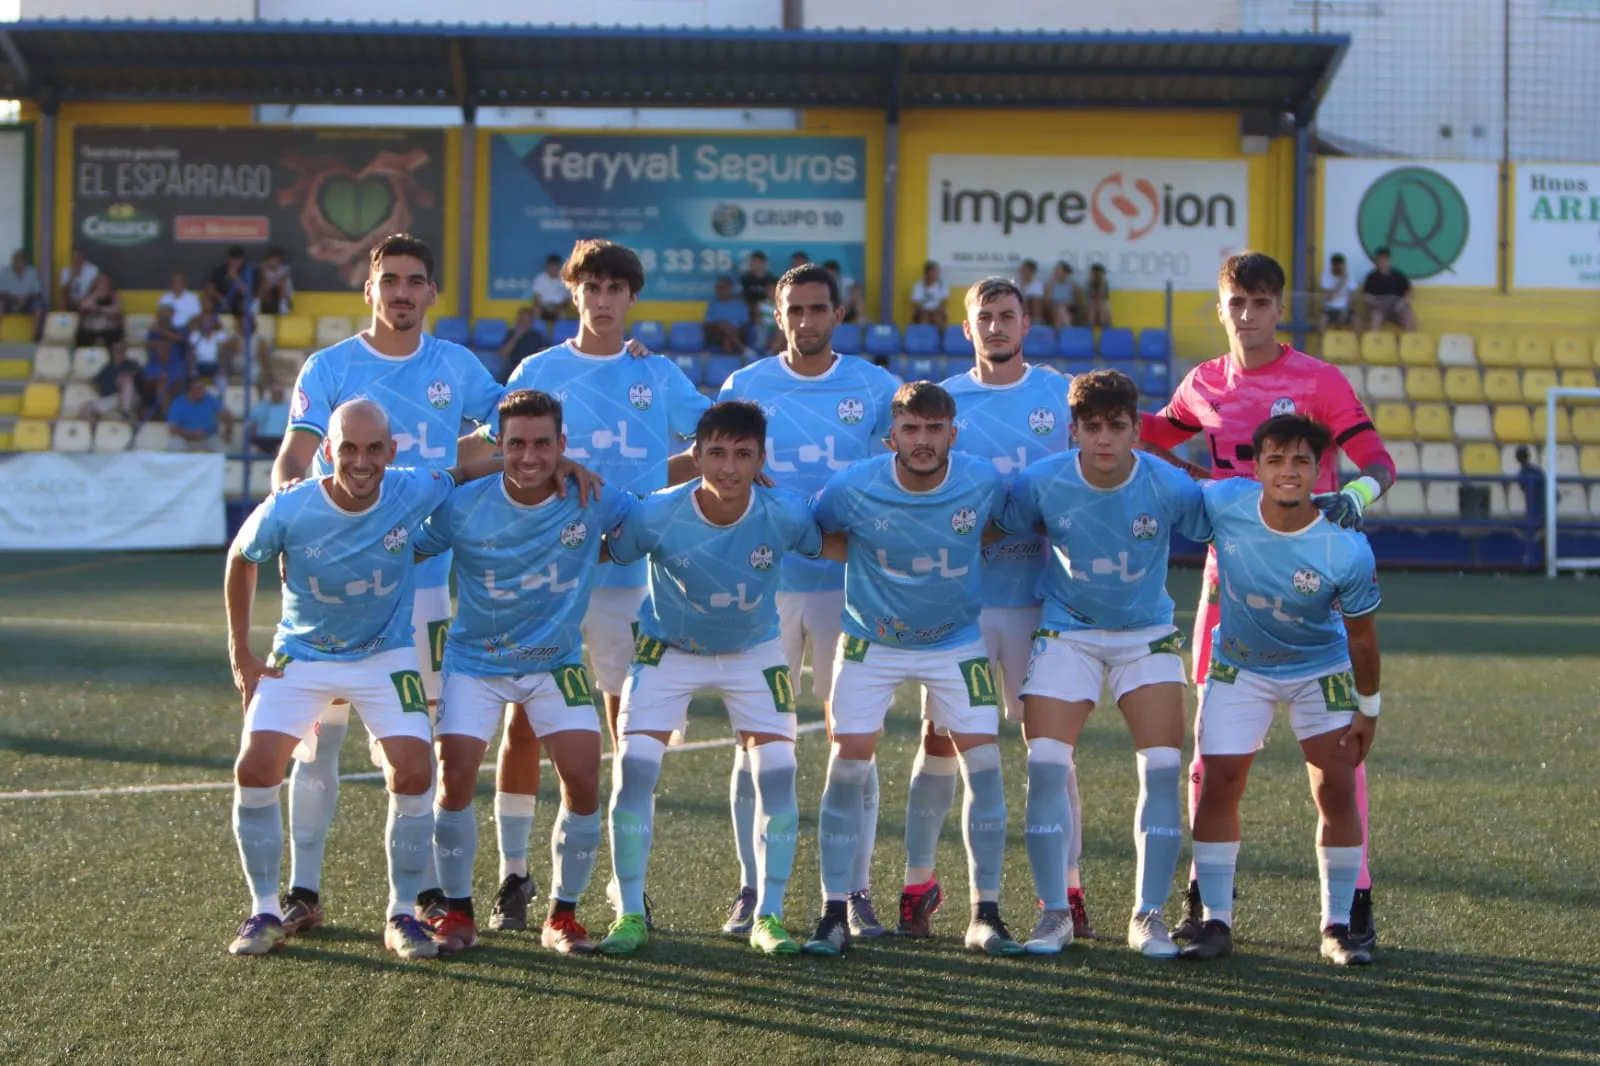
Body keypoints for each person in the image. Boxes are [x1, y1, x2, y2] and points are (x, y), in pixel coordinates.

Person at [1137, 251, 1396, 948]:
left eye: (1260, 303)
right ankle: (1206, 903)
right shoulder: (1204, 383)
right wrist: (1087, 410)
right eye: (1235, 303)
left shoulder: (1317, 379)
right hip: (1228, 590)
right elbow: (1152, 434)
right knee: (1210, 759)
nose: (1247, 316)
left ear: (1278, 308)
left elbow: (1379, 463)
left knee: (1340, 764)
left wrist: (1355, 499)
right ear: (1220, 309)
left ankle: (1354, 901)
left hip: (1314, 587)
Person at [273, 234, 511, 936]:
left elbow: (517, 425)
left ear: (431, 292)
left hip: (427, 582)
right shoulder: (331, 366)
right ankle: (303, 890)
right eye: (390, 280)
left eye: (415, 280)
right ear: (369, 291)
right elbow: (295, 447)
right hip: (336, 584)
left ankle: (425, 890)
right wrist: (288, 501)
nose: (402, 292)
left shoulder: (459, 368)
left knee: (421, 738)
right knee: (320, 739)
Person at [492, 238, 709, 929]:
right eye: (592, 287)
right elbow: (504, 450)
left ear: (631, 298)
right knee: (523, 721)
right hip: (548, 572)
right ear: (573, 292)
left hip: (628, 577)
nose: (604, 299)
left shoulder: (659, 373)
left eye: (617, 288)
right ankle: (514, 877)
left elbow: (707, 445)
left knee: (629, 730)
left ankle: (625, 880)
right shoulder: (539, 369)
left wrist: (648, 490)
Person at [221, 399, 485, 959]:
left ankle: (401, 912)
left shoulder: (412, 487)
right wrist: (240, 651)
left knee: (415, 771)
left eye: (373, 449)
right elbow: (242, 557)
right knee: (255, 766)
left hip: (384, 657)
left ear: (391, 452)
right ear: (327, 452)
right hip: (302, 655)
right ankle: (265, 908)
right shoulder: (291, 506)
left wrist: (556, 463)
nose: (361, 461)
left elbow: (465, 469)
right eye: (349, 448)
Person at [600, 401, 824, 958]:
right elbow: (608, 549)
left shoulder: (786, 513)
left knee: (777, 774)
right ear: (695, 454)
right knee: (633, 771)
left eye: (743, 455)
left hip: (754, 651)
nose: (728, 468)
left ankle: (768, 915)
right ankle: (629, 910)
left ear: (761, 458)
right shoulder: (656, 514)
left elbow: (833, 544)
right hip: (668, 651)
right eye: (717, 453)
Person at [803, 381, 1019, 958]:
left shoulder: (982, 480)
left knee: (987, 766)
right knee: (847, 764)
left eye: (934, 428)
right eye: (910, 429)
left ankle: (986, 914)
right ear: (890, 435)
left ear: (953, 431)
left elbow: (1001, 525)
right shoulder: (854, 487)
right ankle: (831, 911)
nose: (922, 441)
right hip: (871, 642)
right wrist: (876, 553)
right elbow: (815, 534)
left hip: (956, 640)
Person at [717, 262, 900, 939]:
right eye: (793, 310)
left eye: (817, 309)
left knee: (855, 744)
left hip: (849, 590)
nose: (805, 321)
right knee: (756, 741)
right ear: (777, 314)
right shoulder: (747, 386)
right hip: (762, 588)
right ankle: (752, 885)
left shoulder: (876, 388)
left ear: (839, 314)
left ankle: (854, 890)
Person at [418, 388, 635, 957]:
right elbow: (403, 540)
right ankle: (459, 911)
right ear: (501, 446)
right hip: (475, 663)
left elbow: (655, 519)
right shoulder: (463, 504)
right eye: (516, 445)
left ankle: (563, 915)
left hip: (554, 664)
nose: (530, 456)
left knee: (585, 779)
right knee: (456, 775)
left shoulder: (591, 497)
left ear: (563, 445)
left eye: (544, 444)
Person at [1000, 369, 1209, 957]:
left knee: (1163, 770)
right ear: (1073, 431)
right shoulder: (1042, 482)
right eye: (1092, 427)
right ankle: (1054, 914)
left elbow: (1219, 522)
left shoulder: (1168, 484)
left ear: (1136, 430)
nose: (1105, 439)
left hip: (1146, 638)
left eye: (1117, 426)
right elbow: (1002, 526)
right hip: (1068, 634)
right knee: (1044, 766)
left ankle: (1148, 916)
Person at [897, 277, 1081, 942]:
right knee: (940, 741)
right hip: (965, 606)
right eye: (985, 318)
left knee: (1051, 749)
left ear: (1026, 323)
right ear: (966, 327)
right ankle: (918, 883)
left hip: (1043, 600)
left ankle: (1067, 893)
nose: (997, 327)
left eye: (1007, 316)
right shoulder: (945, 404)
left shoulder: (1060, 394)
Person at [1181, 414, 1382, 967]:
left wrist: (1369, 707)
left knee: (1337, 790)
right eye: (1276, 459)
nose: (1288, 471)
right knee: (1218, 783)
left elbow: (1363, 639)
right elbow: (1164, 484)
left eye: (1300, 461)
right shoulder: (1224, 503)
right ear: (1256, 468)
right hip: (1239, 667)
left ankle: (1339, 926)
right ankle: (1215, 919)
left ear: (1319, 470)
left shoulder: (1345, 545)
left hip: (1322, 670)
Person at [78, 342, 143, 425]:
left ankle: (125, 413)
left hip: (131, 398)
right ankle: (98, 430)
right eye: (117, 351)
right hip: (112, 398)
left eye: (122, 350)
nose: (120, 353)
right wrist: (99, 388)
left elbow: (138, 373)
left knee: (126, 380)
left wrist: (125, 375)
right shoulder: (107, 368)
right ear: (112, 353)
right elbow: (94, 381)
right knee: (86, 409)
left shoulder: (130, 364)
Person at [166, 376, 234, 452]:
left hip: (208, 438)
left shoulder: (209, 399)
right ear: (190, 390)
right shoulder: (178, 403)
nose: (203, 391)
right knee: (175, 444)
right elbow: (173, 429)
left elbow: (227, 415)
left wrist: (228, 431)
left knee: (223, 450)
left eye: (203, 387)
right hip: (186, 439)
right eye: (199, 388)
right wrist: (191, 433)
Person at [1362, 247, 1417, 332]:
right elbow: (1366, 296)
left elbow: (1409, 291)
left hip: (1396, 304)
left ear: (1389, 260)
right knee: (1375, 317)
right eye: (1380, 259)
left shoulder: (1398, 275)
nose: (1382, 261)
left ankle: (1408, 343)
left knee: (1409, 317)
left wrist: (1402, 302)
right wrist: (1375, 302)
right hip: (1379, 306)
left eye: (1385, 259)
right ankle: (1374, 343)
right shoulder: (1371, 277)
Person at [145, 305, 189, 410]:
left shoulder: (180, 330)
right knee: (160, 380)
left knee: (176, 382)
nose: (163, 316)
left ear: (172, 315)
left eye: (166, 313)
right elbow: (149, 345)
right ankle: (164, 411)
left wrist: (161, 332)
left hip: (175, 365)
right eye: (161, 314)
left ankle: (172, 411)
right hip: (156, 365)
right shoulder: (152, 333)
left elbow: (180, 339)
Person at [0, 250, 45, 338]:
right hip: (11, 301)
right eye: (17, 261)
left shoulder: (32, 272)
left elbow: (37, 292)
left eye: (21, 261)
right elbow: (2, 292)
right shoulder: (5, 273)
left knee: (39, 304)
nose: (18, 264)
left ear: (25, 262)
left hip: (27, 301)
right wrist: (13, 298)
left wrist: (25, 298)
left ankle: (35, 334)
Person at [704, 276, 751, 355]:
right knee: (724, 324)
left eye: (722, 287)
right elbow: (707, 323)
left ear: (730, 288)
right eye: (717, 288)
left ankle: (728, 364)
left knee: (727, 341)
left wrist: (732, 330)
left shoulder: (740, 304)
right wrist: (722, 325)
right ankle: (743, 349)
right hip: (717, 333)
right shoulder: (714, 305)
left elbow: (745, 323)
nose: (719, 290)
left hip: (738, 333)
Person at [189, 312, 240, 385]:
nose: (207, 323)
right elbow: (191, 352)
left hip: (215, 364)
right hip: (199, 364)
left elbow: (225, 350)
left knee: (222, 376)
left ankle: (222, 393)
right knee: (192, 373)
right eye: (204, 320)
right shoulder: (195, 335)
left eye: (209, 320)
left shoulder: (219, 335)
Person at [74, 274, 124, 348]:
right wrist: (96, 296)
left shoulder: (114, 296)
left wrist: (101, 309)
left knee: (116, 335)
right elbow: (83, 307)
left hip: (109, 330)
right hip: (91, 330)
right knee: (82, 334)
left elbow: (118, 309)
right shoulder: (91, 296)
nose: (103, 286)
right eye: (100, 284)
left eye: (105, 284)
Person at [248, 382, 292, 455]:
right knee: (252, 450)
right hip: (262, 440)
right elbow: (252, 424)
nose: (277, 395)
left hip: (280, 440)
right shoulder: (262, 406)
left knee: (281, 450)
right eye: (275, 392)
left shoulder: (289, 408)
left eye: (279, 392)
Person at [208, 246, 252, 319]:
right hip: (221, 298)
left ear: (242, 260)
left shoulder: (247, 271)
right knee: (207, 301)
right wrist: (219, 297)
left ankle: (242, 327)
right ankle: (211, 325)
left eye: (238, 259)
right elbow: (209, 286)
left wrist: (234, 277)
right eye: (233, 259)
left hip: (239, 300)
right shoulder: (220, 270)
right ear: (229, 259)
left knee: (244, 304)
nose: (235, 262)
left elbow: (247, 291)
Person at [531, 254, 572, 326]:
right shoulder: (540, 279)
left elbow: (567, 298)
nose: (554, 268)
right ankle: (538, 331)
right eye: (552, 266)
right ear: (547, 266)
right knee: (536, 310)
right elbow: (536, 298)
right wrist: (546, 307)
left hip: (558, 307)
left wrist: (558, 306)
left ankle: (561, 332)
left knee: (563, 312)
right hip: (543, 307)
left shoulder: (565, 280)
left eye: (556, 266)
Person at [740, 251, 775, 328]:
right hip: (749, 312)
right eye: (752, 262)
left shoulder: (771, 279)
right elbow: (742, 296)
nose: (753, 264)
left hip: (767, 311)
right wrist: (752, 309)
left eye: (756, 262)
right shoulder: (746, 280)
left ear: (763, 263)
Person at [1045, 262, 1085, 329]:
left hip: (1069, 308)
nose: (1055, 273)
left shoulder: (1073, 285)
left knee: (1062, 312)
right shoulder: (1050, 285)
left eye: (1058, 271)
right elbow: (1047, 302)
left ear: (1065, 273)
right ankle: (1068, 331)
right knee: (1061, 310)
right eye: (1055, 271)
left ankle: (1062, 333)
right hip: (1054, 308)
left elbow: (1078, 301)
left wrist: (1068, 303)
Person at [910, 261, 949, 328]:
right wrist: (925, 311)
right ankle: (924, 337)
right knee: (924, 318)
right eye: (933, 273)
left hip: (937, 310)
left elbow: (944, 302)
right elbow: (915, 303)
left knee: (937, 318)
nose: (935, 275)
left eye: (936, 272)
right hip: (923, 310)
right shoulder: (918, 286)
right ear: (927, 273)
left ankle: (939, 337)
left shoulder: (942, 285)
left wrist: (936, 311)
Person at [257, 247, 294, 314]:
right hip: (270, 291)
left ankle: (283, 307)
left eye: (275, 260)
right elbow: (263, 280)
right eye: (271, 259)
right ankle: (256, 304)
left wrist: (271, 282)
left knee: (282, 284)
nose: (273, 262)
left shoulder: (285, 268)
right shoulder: (265, 267)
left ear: (279, 261)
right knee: (264, 285)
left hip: (284, 295)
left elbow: (281, 280)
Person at [1321, 253, 1353, 331]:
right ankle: (1321, 342)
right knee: (1321, 320)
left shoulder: (1350, 276)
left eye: (1339, 264)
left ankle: (1358, 342)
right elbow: (1329, 297)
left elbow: (1353, 295)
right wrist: (1342, 281)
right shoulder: (1325, 276)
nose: (1338, 267)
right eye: (1335, 264)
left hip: (1345, 308)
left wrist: (1349, 308)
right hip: (1330, 309)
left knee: (1357, 321)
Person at [1086, 264, 1112, 328]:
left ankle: (1105, 325)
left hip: (1102, 307)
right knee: (1093, 303)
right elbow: (1091, 295)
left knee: (1103, 303)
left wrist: (1101, 283)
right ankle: (1090, 326)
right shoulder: (1089, 283)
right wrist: (1092, 281)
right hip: (1092, 308)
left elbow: (1104, 296)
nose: (1096, 276)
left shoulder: (1104, 283)